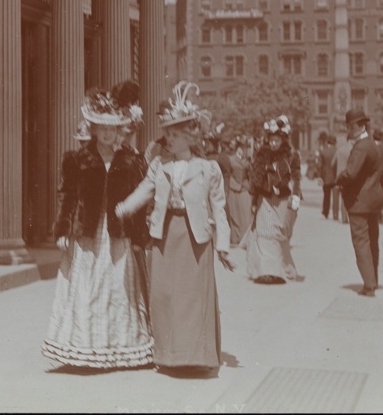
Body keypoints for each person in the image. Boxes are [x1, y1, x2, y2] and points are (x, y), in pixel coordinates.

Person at [115, 81, 233, 374]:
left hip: (195, 237)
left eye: (173, 135)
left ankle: (196, 356)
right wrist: (125, 207)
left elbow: (219, 208)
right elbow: (145, 190)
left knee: (193, 297)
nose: (167, 139)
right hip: (165, 234)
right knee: (166, 296)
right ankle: (169, 355)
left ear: (189, 137)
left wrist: (223, 246)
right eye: (167, 133)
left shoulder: (208, 169)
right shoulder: (159, 165)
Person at [42, 88, 153, 368]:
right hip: (87, 234)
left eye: (112, 128)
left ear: (119, 131)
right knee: (85, 286)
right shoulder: (77, 159)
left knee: (117, 287)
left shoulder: (131, 160)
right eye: (101, 128)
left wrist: (139, 237)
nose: (106, 133)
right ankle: (83, 347)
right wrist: (63, 231)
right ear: (93, 129)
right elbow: (67, 197)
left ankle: (119, 348)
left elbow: (139, 205)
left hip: (117, 234)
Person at [243, 116, 300, 284]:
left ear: (283, 140)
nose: (274, 143)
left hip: (282, 199)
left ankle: (282, 268)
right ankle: (267, 271)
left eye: (277, 140)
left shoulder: (291, 156)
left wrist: (296, 194)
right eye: (271, 140)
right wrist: (254, 202)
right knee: (264, 233)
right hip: (265, 198)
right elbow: (256, 179)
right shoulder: (262, 155)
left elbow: (296, 177)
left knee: (279, 234)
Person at [336, 108, 383, 296]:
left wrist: (339, 179)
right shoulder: (372, 144)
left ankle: (369, 285)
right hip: (373, 200)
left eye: (349, 127)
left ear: (358, 126)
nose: (348, 130)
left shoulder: (361, 147)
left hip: (359, 202)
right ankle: (374, 279)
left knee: (361, 242)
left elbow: (351, 172)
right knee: (373, 241)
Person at [225, 137, 252, 247]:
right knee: (234, 214)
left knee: (245, 214)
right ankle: (235, 238)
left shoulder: (248, 160)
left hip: (244, 188)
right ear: (237, 148)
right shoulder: (231, 159)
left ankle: (244, 239)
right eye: (240, 148)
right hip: (233, 187)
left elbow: (251, 175)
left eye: (244, 148)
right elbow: (228, 174)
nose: (242, 150)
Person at [318, 133, 338, 219]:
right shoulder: (337, 151)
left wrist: (320, 176)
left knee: (326, 196)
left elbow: (320, 165)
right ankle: (335, 213)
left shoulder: (323, 151)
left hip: (325, 177)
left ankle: (326, 212)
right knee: (335, 196)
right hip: (335, 177)